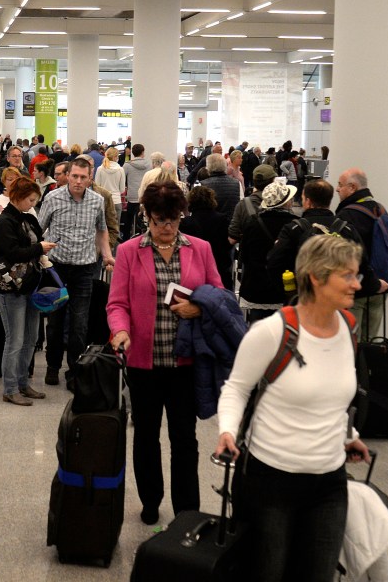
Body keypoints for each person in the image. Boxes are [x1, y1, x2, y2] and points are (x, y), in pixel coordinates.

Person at [215, 234, 370, 582]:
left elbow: (333, 394)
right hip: (270, 482)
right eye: (347, 275)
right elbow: (236, 389)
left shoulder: (348, 327)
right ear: (316, 276)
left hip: (329, 482)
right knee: (267, 573)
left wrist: (349, 434)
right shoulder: (273, 332)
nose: (357, 284)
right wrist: (227, 430)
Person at [108, 181, 224, 526]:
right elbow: (117, 303)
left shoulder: (199, 248)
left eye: (173, 220)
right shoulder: (130, 251)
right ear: (146, 216)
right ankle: (150, 500)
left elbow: (218, 293)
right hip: (144, 361)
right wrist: (121, 330)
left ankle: (187, 509)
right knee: (145, 435)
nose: (166, 228)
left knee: (184, 439)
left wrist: (199, 307)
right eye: (159, 220)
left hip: (186, 362)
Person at [38, 157, 115, 386]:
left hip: (85, 268)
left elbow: (102, 232)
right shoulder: (52, 198)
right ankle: (52, 366)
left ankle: (75, 370)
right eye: (74, 176)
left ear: (90, 178)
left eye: (83, 177)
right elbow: (40, 229)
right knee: (55, 321)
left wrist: (107, 255)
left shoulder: (97, 201)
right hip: (56, 268)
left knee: (80, 324)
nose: (78, 181)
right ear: (67, 176)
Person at [0, 177, 56, 405]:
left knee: (31, 338)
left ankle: (23, 382)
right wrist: (39, 248)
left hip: (29, 284)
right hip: (9, 289)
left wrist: (40, 248)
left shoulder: (27, 218)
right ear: (17, 197)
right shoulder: (5, 221)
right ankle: (10, 388)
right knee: (15, 339)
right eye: (30, 200)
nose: (32, 204)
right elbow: (13, 252)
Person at [268, 179, 388, 304]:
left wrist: (289, 292)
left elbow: (274, 263)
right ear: (329, 200)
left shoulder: (293, 229)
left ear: (308, 202)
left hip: (303, 299)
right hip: (336, 300)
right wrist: (375, 285)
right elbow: (362, 263)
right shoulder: (346, 229)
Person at [335, 168, 388, 339]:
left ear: (352, 187)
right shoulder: (380, 209)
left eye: (340, 185)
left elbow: (351, 256)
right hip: (381, 288)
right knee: (371, 345)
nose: (337, 189)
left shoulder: (347, 214)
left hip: (356, 291)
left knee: (350, 344)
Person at [238, 182, 299, 322]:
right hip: (285, 287)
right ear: (286, 202)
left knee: (256, 330)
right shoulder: (296, 225)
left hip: (256, 286)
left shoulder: (252, 223)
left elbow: (244, 255)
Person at [180, 186, 233, 289]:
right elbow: (226, 245)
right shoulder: (223, 219)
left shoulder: (186, 223)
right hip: (219, 266)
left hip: (194, 270)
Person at [121, 143, 151, 239]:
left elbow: (122, 178)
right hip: (144, 196)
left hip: (132, 196)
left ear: (133, 153)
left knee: (128, 220)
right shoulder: (148, 165)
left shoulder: (127, 165)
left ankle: (126, 238)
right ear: (143, 152)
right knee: (143, 220)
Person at [201, 154, 242, 218]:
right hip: (231, 223)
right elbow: (241, 205)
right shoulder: (237, 183)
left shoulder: (202, 185)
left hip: (211, 224)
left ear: (208, 167)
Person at [94, 146, 126, 226]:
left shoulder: (100, 169)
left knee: (102, 228)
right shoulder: (120, 170)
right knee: (115, 229)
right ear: (115, 157)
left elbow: (97, 187)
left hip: (103, 201)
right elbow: (122, 189)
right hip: (116, 201)